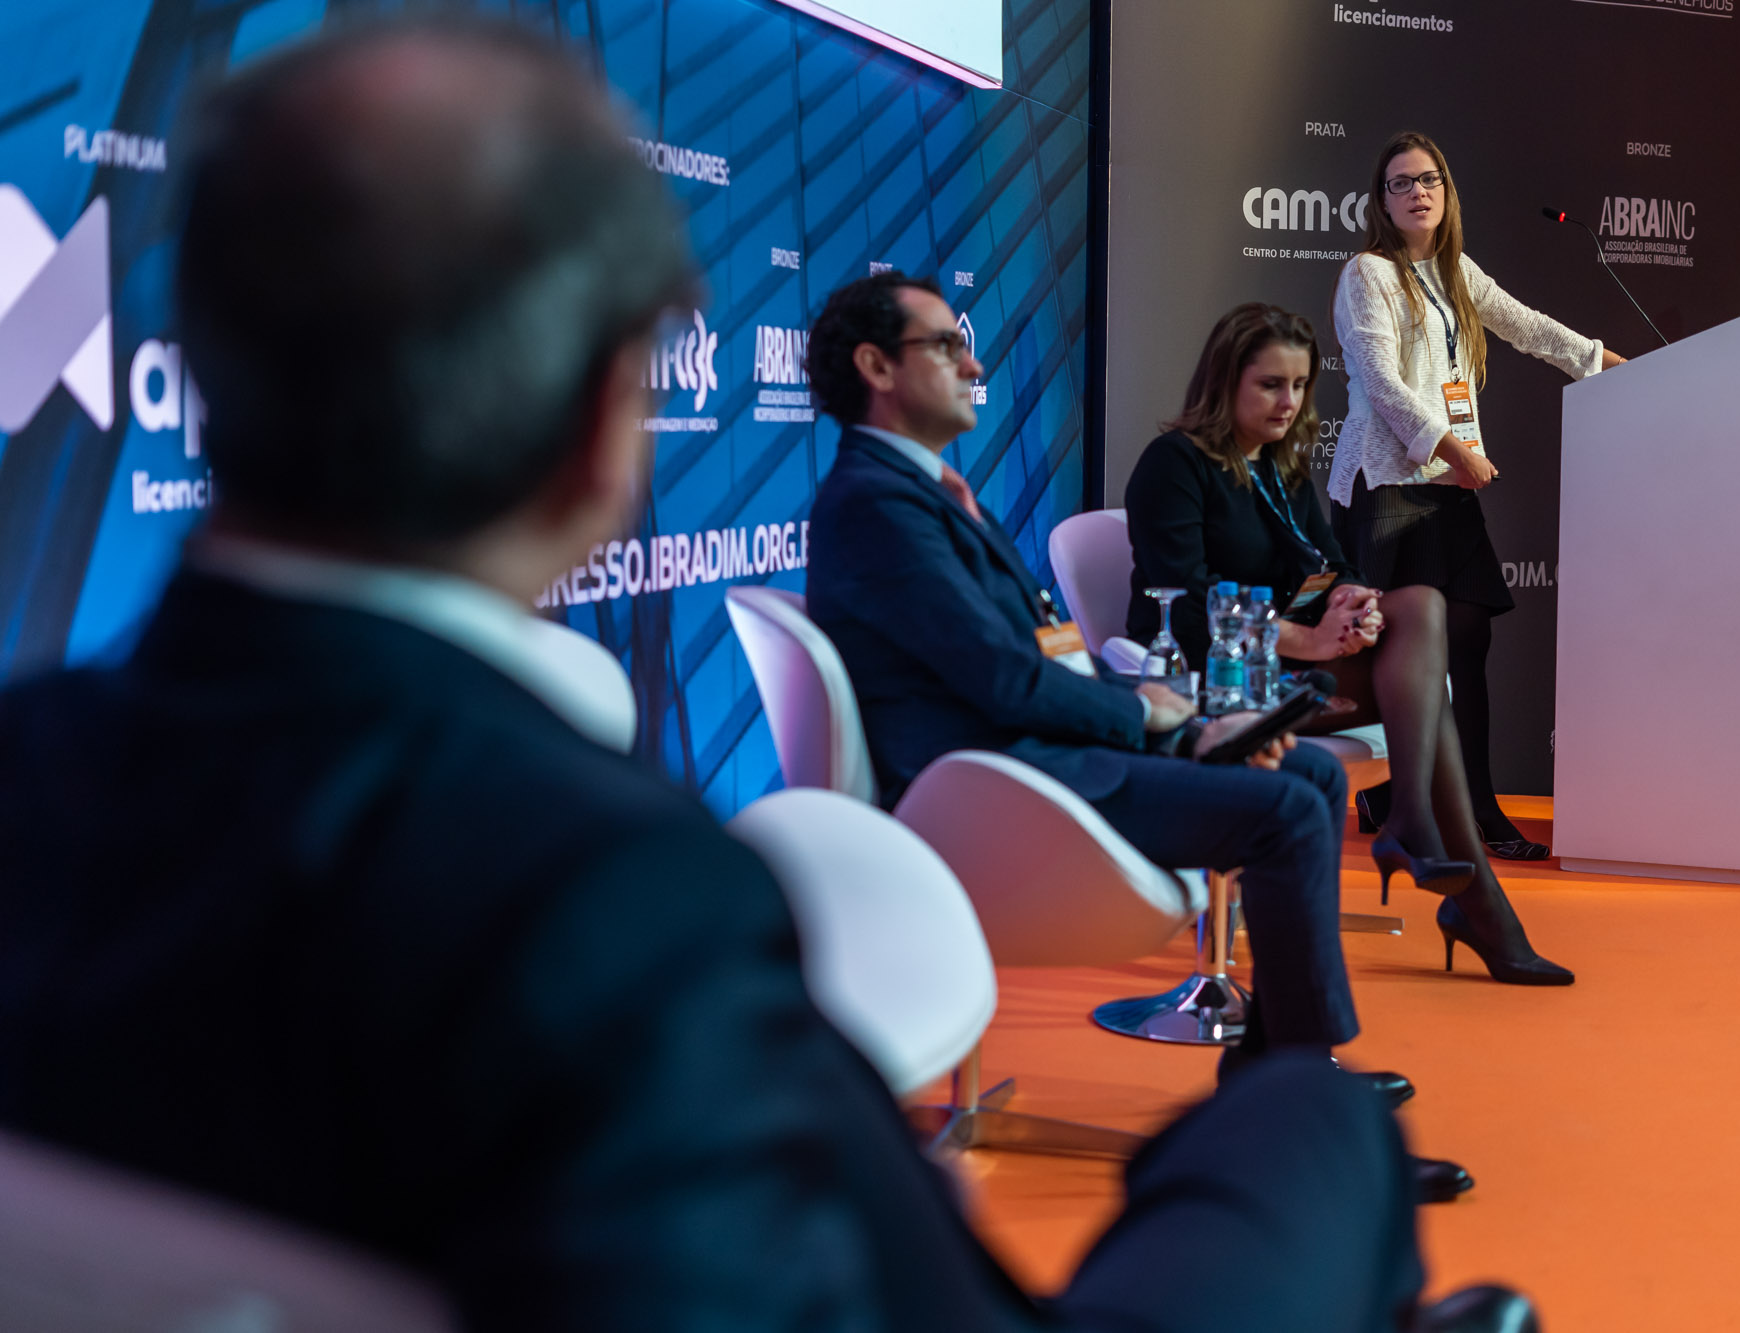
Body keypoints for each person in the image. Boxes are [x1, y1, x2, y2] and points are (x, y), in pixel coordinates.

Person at [0, 21, 1532, 1333]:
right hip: (992, 781)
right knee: (1304, 1135)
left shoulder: (36, 786)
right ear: (607, 426)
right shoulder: (611, 911)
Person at [804, 270, 1484, 1204]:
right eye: (946, 346)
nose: (974, 364)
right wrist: (1156, 721)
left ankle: (1273, 1073)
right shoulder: (877, 504)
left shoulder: (923, 490)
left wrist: (1187, 722)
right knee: (1288, 808)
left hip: (1034, 753)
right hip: (993, 784)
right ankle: (1305, 1121)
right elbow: (1001, 681)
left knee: (1315, 782)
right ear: (876, 366)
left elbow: (1029, 656)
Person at [1126, 303, 1571, 986]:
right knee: (1424, 686)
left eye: (1299, 385)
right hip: (1209, 677)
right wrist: (1308, 639)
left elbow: (1333, 565)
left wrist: (1351, 603)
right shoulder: (1175, 464)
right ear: (1225, 381)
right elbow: (1186, 601)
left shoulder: (1282, 465)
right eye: (1270, 384)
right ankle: (1470, 895)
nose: (1289, 402)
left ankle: (1418, 826)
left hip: (1288, 665)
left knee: (1418, 604)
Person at [1329, 130, 1626, 862]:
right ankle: (1427, 804)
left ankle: (1446, 804)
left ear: (1447, 191)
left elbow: (1526, 326)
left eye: (1428, 179)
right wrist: (1452, 448)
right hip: (1390, 484)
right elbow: (1381, 383)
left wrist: (1601, 363)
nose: (1417, 192)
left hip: (1448, 483)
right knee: (1403, 652)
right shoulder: (1368, 273)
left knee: (1469, 640)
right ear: (1381, 201)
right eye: (1400, 183)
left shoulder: (1455, 270)